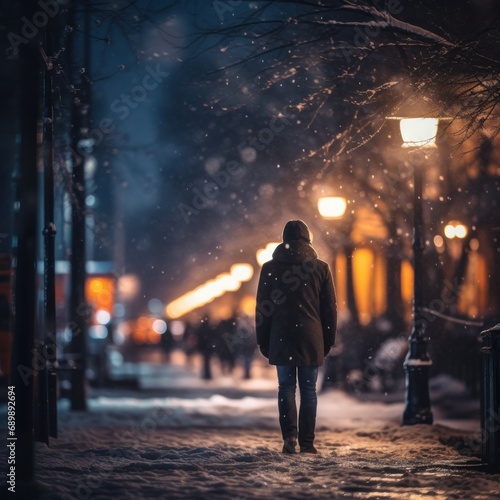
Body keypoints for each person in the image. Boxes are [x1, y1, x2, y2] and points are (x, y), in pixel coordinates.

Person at [255, 220, 337, 454]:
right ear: (308, 239)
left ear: (284, 240)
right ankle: (308, 443)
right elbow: (329, 309)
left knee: (286, 387)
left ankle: (290, 436)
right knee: (309, 390)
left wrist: (264, 339)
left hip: (281, 335)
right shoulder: (320, 268)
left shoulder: (270, 268)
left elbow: (263, 308)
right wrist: (328, 339)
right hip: (311, 336)